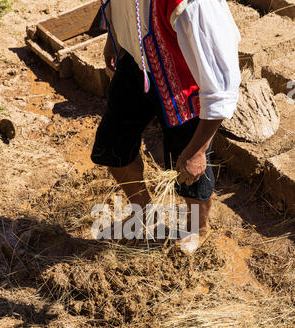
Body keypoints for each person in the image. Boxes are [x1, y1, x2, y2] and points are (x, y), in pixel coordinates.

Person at [92, 0, 241, 251]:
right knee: (112, 144)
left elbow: (222, 87)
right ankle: (143, 212)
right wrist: (115, 38)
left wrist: (198, 150)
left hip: (185, 80)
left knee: (189, 170)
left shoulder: (192, 5)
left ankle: (198, 228)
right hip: (137, 62)